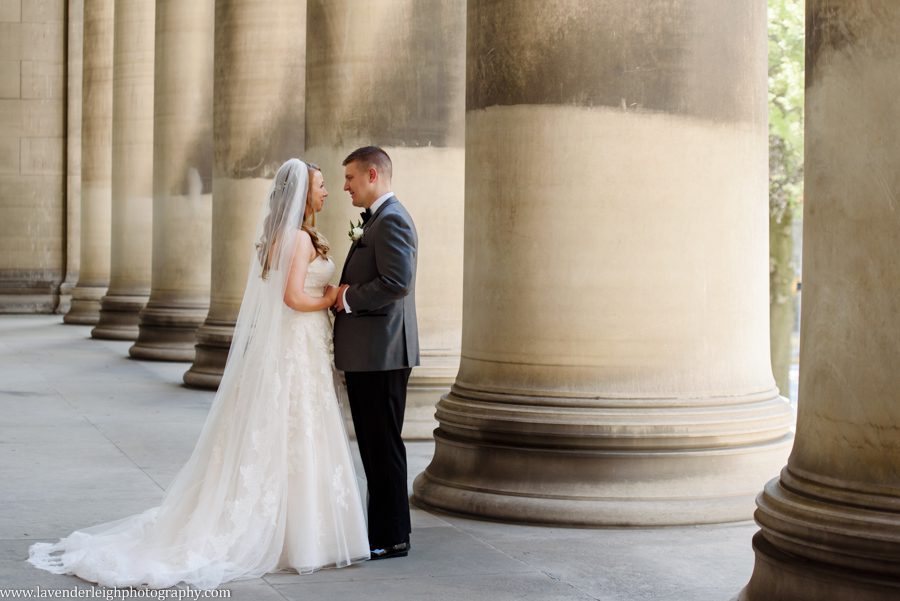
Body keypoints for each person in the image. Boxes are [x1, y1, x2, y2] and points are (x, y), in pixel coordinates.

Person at [27, 159, 370, 589]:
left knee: (291, 431)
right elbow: (291, 298)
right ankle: (299, 537)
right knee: (298, 428)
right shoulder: (298, 239)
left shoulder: (279, 237)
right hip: (298, 344)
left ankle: (297, 531)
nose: (325, 192)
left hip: (296, 346)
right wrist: (332, 298)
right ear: (303, 194)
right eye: (320, 186)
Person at [333, 146, 419, 560]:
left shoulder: (393, 220)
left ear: (372, 175)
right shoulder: (379, 220)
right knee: (373, 443)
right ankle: (383, 532)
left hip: (382, 354)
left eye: (349, 178)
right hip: (371, 353)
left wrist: (347, 297)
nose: (344, 186)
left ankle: (392, 537)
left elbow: (397, 283)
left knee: (382, 444)